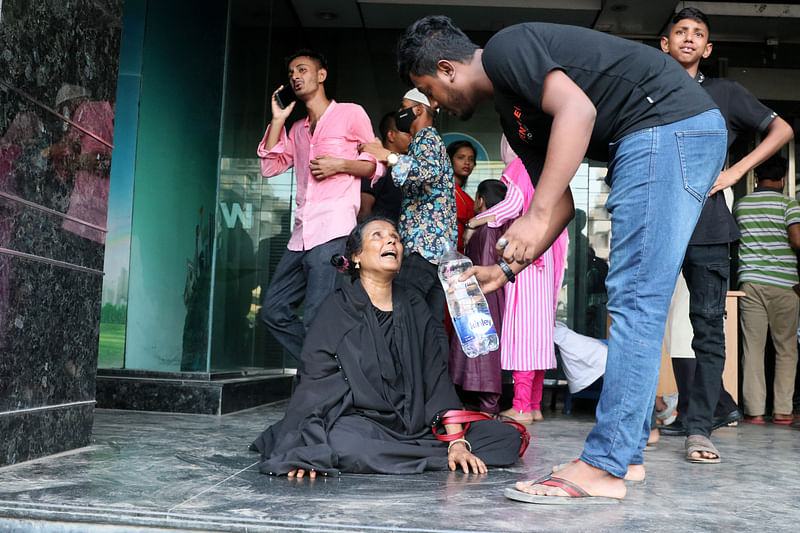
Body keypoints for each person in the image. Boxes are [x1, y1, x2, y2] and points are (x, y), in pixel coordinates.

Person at [397, 16, 727, 503]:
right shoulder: (515, 112)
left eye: (429, 90)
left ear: (447, 69)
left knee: (635, 298)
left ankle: (604, 465)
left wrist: (536, 212)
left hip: (664, 126)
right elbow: (564, 203)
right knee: (639, 299)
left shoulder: (507, 50)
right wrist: (505, 269)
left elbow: (578, 111)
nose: (437, 107)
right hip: (666, 134)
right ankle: (626, 455)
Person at [251, 217, 522, 476]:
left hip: (417, 423)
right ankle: (416, 455)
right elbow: (314, 382)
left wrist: (456, 441)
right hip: (360, 422)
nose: (390, 242)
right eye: (378, 236)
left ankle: (418, 453)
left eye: (395, 238)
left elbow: (436, 377)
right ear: (356, 256)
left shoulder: (415, 305)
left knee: (506, 439)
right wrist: (305, 449)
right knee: (346, 444)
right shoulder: (337, 308)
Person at [658, 8, 794, 463]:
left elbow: (782, 129)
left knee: (708, 330)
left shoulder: (726, 93)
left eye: (698, 34)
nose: (690, 39)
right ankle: (634, 424)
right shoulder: (646, 92)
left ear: (708, 48)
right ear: (665, 43)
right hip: (655, 224)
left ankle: (700, 427)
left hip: (709, 228)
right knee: (641, 324)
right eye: (681, 32)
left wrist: (735, 171)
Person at [256, 49, 381, 358]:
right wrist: (278, 120)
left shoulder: (351, 114)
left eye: (302, 70)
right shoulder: (297, 130)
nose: (295, 77)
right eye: (291, 74)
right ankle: (331, 369)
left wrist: (340, 165)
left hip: (334, 231)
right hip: (301, 234)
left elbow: (375, 163)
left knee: (317, 317)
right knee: (273, 310)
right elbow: (270, 167)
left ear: (321, 75)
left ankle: (320, 385)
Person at [471, 137, 568, 425]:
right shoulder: (548, 169)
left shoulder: (520, 165)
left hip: (524, 255)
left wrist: (475, 221)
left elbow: (510, 206)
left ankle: (521, 406)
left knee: (523, 331)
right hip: (545, 254)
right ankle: (534, 404)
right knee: (537, 333)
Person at [359, 89, 456, 324]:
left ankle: (406, 363)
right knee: (430, 323)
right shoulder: (424, 142)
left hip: (423, 247)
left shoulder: (426, 137)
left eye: (404, 107)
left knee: (404, 312)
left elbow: (428, 172)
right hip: (437, 251)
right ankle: (434, 363)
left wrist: (388, 156)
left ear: (419, 109)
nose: (400, 112)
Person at [734, 155, 800, 426]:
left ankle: (754, 411)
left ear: (756, 178)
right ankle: (783, 411)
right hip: (785, 285)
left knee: (753, 348)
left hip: (750, 283)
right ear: (783, 179)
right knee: (786, 348)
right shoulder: (789, 205)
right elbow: (797, 240)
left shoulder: (742, 205)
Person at [448, 179, 507, 416]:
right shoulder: (504, 227)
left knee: (481, 347)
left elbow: (483, 267)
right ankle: (481, 404)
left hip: (482, 296)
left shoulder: (485, 230)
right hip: (498, 295)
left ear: (480, 201)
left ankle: (487, 405)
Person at [358, 112, 407, 223]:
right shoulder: (377, 165)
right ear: (391, 135)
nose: (412, 138)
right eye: (407, 133)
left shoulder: (406, 166)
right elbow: (364, 210)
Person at [447, 140, 476, 252]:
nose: (467, 162)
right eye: (460, 157)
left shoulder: (466, 197)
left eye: (471, 159)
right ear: (449, 160)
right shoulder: (443, 190)